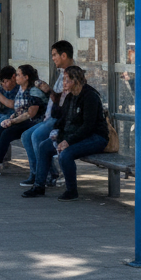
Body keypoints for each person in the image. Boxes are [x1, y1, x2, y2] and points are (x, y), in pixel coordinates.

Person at [23, 66, 109, 200]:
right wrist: (60, 101)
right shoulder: (69, 95)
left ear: (75, 81)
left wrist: (68, 141)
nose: (64, 83)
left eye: (67, 80)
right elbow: (59, 117)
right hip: (73, 135)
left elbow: (88, 126)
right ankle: (39, 186)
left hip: (95, 137)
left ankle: (71, 190)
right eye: (64, 80)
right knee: (44, 147)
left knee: (66, 154)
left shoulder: (90, 96)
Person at [19, 41, 79, 187]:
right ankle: (37, 173)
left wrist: (48, 90)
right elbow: (58, 96)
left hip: (60, 119)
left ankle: (44, 176)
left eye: (54, 55)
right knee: (26, 136)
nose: (53, 58)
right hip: (50, 117)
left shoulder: (73, 74)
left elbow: (65, 100)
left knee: (36, 136)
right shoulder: (62, 73)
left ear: (63, 55)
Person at [0, 64, 46, 177]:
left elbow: (30, 114)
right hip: (21, 118)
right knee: (3, 131)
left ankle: (37, 173)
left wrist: (12, 120)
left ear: (26, 77)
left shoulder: (34, 91)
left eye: (18, 75)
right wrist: (12, 118)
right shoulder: (22, 89)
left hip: (34, 121)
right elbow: (18, 108)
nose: (16, 77)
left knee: (11, 133)